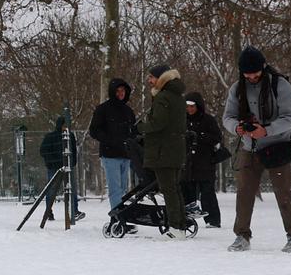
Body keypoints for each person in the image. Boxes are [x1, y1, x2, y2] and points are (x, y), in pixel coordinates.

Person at [221, 46, 291, 253]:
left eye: (255, 72)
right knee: (244, 193)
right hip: (249, 147)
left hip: (276, 147)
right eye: (247, 73)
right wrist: (237, 128)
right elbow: (227, 117)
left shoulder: (280, 85)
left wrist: (266, 130)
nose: (251, 77)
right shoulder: (237, 88)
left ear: (263, 67)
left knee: (283, 193)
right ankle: (242, 235)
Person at [140, 64, 189, 235]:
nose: (149, 80)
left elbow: (158, 123)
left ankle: (175, 227)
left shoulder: (163, 97)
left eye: (151, 77)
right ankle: (181, 224)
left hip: (163, 150)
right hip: (176, 148)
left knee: (168, 189)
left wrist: (140, 128)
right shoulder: (178, 96)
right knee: (175, 188)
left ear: (161, 78)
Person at [87, 78, 137, 210]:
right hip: (110, 155)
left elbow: (134, 131)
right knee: (115, 189)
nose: (121, 93)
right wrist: (110, 140)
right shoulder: (103, 109)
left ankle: (123, 215)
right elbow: (94, 130)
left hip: (125, 155)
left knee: (124, 189)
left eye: (123, 91)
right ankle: (118, 218)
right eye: (118, 91)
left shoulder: (128, 111)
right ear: (112, 92)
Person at [181, 92, 223, 228]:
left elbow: (216, 137)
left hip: (205, 162)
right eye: (187, 106)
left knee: (207, 192)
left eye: (192, 106)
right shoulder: (182, 120)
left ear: (198, 106)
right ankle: (186, 219)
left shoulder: (208, 120)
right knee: (187, 191)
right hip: (188, 163)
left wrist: (199, 137)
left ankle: (213, 220)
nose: (190, 109)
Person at [37, 116, 81, 222]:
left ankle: (74, 211)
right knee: (52, 190)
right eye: (64, 125)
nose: (66, 127)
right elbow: (44, 151)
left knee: (71, 189)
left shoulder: (70, 136)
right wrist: (52, 162)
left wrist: (72, 162)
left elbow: (74, 151)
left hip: (67, 166)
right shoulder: (51, 137)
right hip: (54, 168)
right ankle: (49, 211)